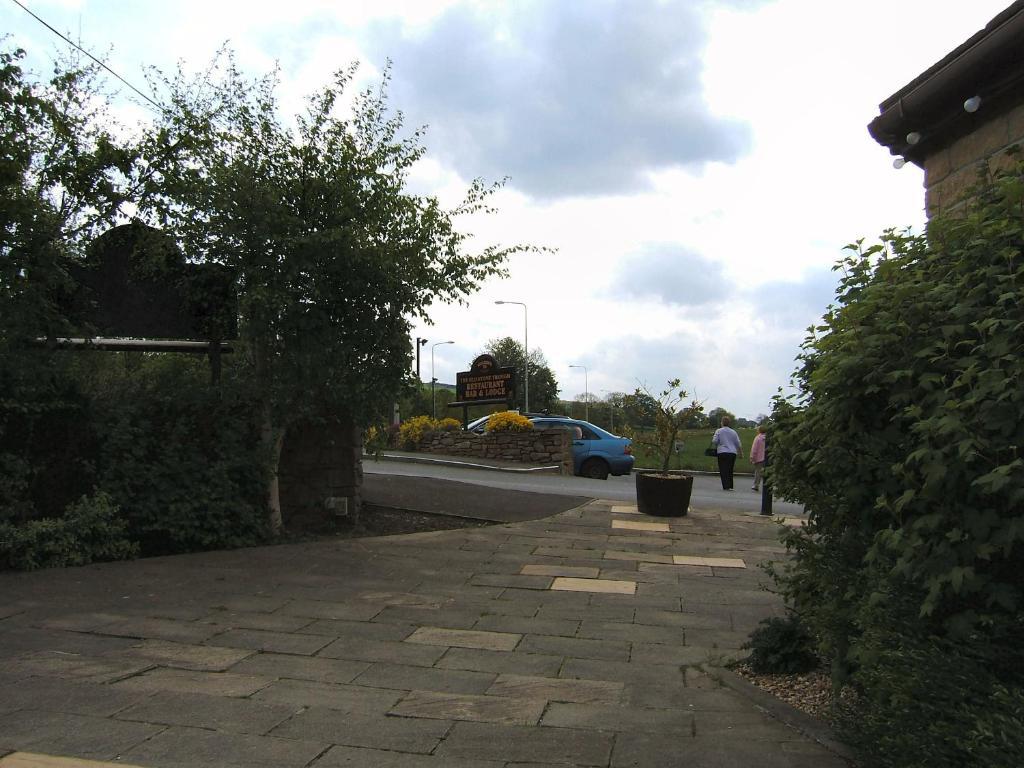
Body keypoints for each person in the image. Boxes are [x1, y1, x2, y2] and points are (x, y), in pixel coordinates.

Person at [711, 416, 742, 491]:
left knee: (723, 469)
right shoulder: (733, 432)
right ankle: (730, 485)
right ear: (729, 423)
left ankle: (726, 485)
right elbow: (738, 443)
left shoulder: (718, 431)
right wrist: (740, 452)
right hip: (732, 452)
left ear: (722, 422)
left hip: (722, 452)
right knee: (730, 469)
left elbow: (714, 441)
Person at [750, 424, 767, 491]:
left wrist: (752, 457)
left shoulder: (758, 438)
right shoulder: (767, 438)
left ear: (759, 430)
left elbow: (754, 449)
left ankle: (756, 485)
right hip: (766, 458)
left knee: (758, 472)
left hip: (759, 458)